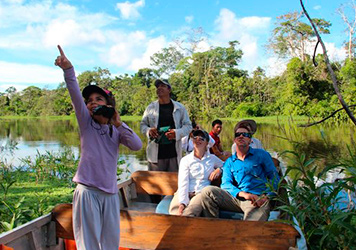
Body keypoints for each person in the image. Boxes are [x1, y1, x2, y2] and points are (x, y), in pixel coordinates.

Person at [54, 45, 142, 250]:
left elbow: (137, 145)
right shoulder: (86, 123)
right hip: (87, 192)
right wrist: (68, 69)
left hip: (110, 194)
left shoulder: (117, 129)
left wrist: (118, 122)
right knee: (88, 244)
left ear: (109, 104)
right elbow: (74, 93)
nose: (93, 103)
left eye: (98, 99)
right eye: (90, 101)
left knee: (111, 243)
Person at [200, 122, 280, 221]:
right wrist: (243, 194)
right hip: (237, 198)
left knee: (250, 228)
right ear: (234, 140)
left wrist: (267, 196)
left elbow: (274, 177)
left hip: (256, 199)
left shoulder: (262, 155)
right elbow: (225, 184)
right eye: (238, 134)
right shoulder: (230, 161)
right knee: (207, 191)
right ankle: (213, 227)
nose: (241, 136)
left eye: (245, 135)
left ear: (250, 140)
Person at [140, 79, 192, 172]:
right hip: (155, 156)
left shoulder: (179, 108)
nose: (159, 88)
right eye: (158, 86)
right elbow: (143, 125)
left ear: (169, 90)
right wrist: (149, 131)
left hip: (174, 155)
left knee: (173, 184)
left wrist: (176, 133)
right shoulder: (150, 108)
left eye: (163, 86)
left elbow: (188, 126)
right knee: (155, 184)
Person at [169, 129, 223, 216]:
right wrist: (182, 203)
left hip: (200, 193)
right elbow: (183, 182)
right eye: (195, 137)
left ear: (206, 143)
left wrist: (219, 170)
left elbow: (226, 166)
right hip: (184, 191)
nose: (198, 140)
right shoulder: (185, 160)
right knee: (175, 213)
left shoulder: (212, 159)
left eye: (202, 138)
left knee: (190, 212)